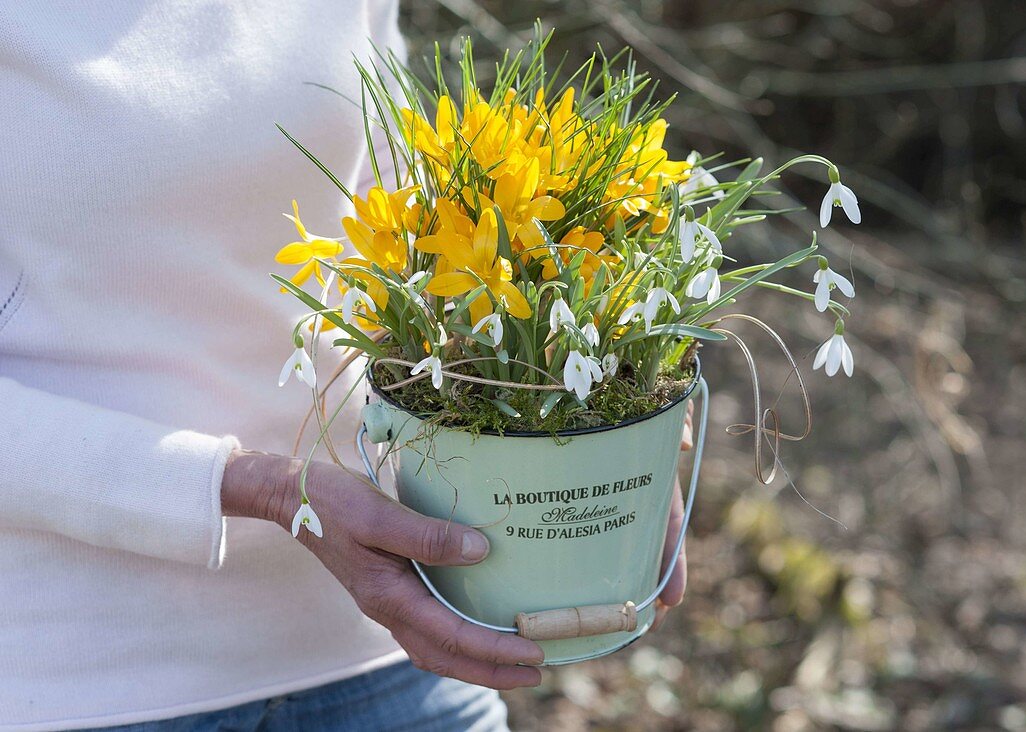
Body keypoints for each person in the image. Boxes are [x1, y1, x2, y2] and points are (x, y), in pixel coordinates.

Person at [0, 1, 689, 729]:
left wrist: (602, 399)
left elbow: (405, 209)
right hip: (81, 677)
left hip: (390, 624)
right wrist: (267, 491)